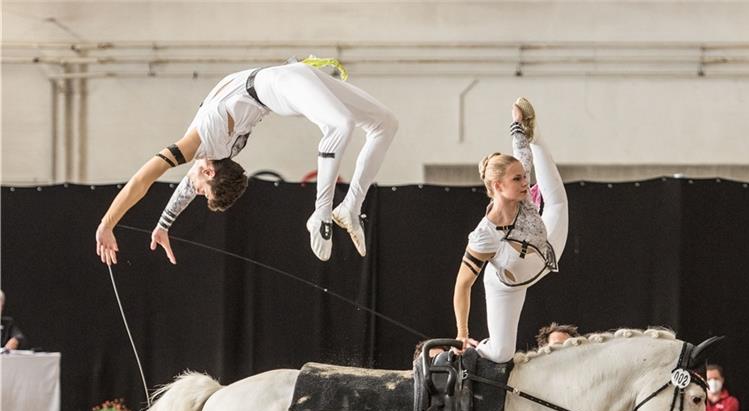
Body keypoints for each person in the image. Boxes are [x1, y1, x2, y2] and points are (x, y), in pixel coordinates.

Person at [95, 58, 398, 265]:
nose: (193, 190)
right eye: (203, 192)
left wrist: (107, 224)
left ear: (208, 170)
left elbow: (141, 181)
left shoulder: (197, 144)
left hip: (281, 82)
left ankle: (326, 213)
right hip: (287, 83)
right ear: (211, 170)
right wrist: (163, 225)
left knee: (372, 123)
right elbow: (189, 185)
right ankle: (347, 208)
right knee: (367, 124)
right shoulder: (213, 153)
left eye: (202, 192)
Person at [453, 97, 568, 362]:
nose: (525, 183)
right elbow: (463, 284)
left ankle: (537, 134)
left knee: (558, 202)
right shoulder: (485, 235)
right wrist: (462, 332)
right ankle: (469, 353)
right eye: (517, 179)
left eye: (524, 177)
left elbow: (521, 154)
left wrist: (518, 125)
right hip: (508, 285)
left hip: (548, 251)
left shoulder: (523, 194)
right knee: (502, 353)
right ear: (496, 186)